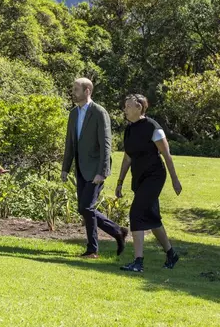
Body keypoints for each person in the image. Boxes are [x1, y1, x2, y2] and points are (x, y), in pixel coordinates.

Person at [62, 78, 128, 258]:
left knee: (86, 207)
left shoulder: (99, 112)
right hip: (81, 168)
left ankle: (93, 249)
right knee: (84, 208)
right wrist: (65, 168)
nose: (73, 92)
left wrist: (102, 171)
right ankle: (117, 231)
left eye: (76, 89)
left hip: (96, 169)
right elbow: (70, 143)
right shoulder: (73, 113)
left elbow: (106, 144)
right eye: (73, 88)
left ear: (87, 91)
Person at [116, 94, 182, 272]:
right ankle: (171, 254)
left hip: (154, 176)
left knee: (136, 213)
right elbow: (128, 156)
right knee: (152, 218)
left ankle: (138, 262)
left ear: (139, 107)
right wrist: (120, 181)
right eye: (125, 106)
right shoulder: (129, 129)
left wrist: (175, 180)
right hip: (139, 177)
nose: (125, 110)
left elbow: (167, 156)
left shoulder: (153, 128)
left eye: (128, 106)